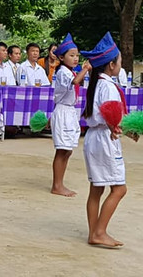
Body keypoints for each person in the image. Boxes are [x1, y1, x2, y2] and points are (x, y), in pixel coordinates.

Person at [81, 32, 127, 249]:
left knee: (96, 188)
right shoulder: (108, 85)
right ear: (111, 64)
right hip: (105, 139)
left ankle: (94, 233)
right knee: (119, 189)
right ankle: (99, 232)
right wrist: (120, 128)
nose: (120, 64)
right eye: (119, 61)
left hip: (94, 138)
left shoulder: (96, 83)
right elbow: (112, 117)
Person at [49, 34, 90, 198]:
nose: (75, 58)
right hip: (63, 111)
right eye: (71, 55)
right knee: (62, 149)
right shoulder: (63, 73)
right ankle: (57, 185)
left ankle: (59, 183)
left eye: (77, 55)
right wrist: (85, 69)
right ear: (61, 57)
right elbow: (74, 83)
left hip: (70, 111)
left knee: (68, 150)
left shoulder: (71, 72)